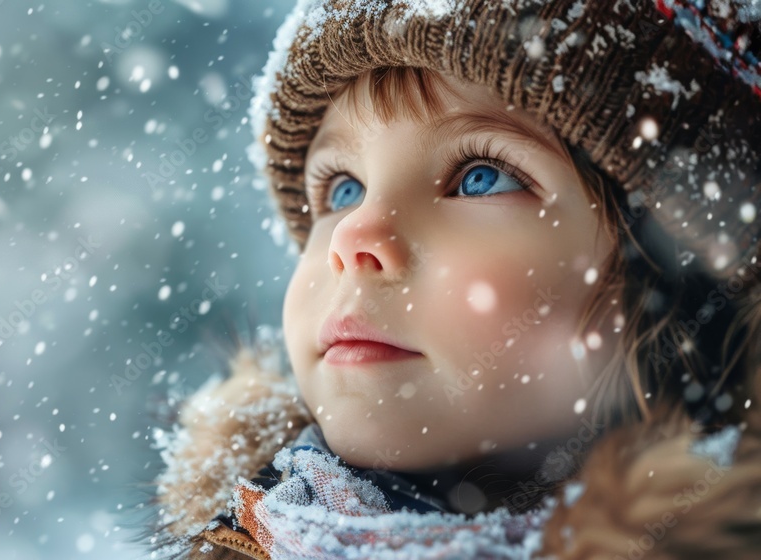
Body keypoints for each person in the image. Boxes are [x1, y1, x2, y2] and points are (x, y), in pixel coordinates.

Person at [148, 1, 761, 558]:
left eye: (481, 177)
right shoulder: (262, 527)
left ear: (675, 286)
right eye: (344, 189)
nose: (353, 238)